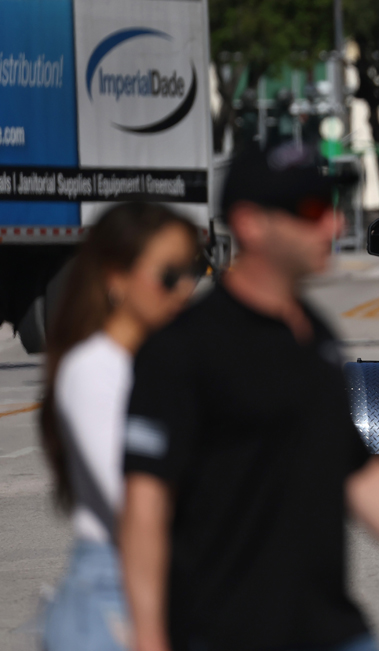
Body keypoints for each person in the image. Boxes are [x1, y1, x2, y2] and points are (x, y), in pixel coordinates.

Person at [120, 142, 379, 651]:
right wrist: (147, 636)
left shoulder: (312, 335)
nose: (334, 227)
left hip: (330, 629)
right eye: (311, 212)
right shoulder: (182, 350)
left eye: (331, 208)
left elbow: (356, 471)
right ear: (251, 223)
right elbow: (145, 505)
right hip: (221, 631)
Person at [39, 203, 200, 651]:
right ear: (116, 278)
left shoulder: (164, 363)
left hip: (172, 587)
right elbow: (134, 501)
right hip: (115, 601)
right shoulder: (93, 370)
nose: (184, 289)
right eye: (168, 275)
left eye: (193, 271)